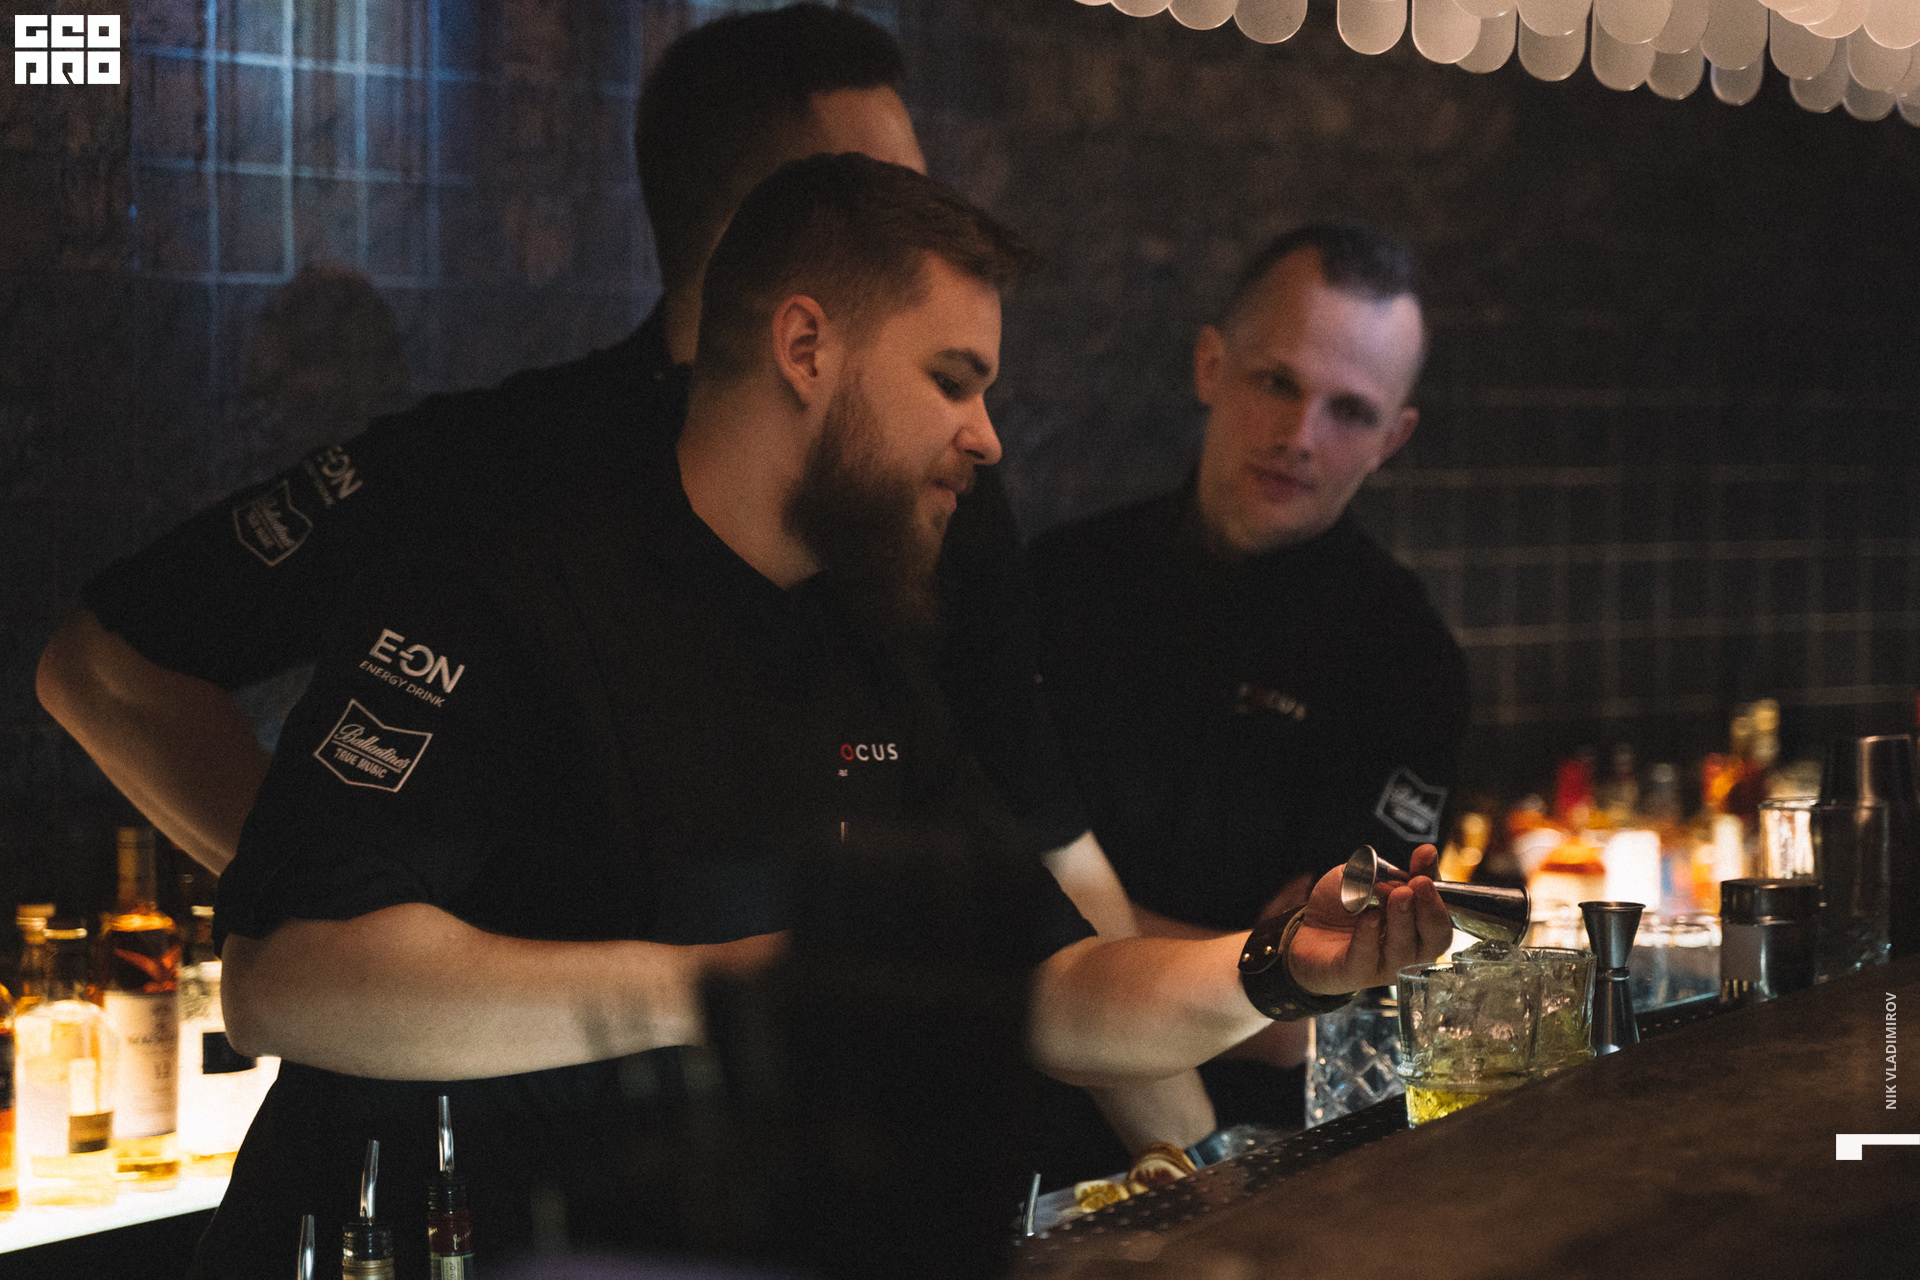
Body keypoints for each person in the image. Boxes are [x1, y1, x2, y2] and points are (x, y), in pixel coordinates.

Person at [204, 154, 1453, 1277]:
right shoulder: (508, 578)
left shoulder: (872, 637)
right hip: (397, 1238)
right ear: (806, 348)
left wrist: (1277, 964)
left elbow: (1057, 984)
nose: (987, 438)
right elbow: (283, 980)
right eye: (952, 381)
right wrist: (725, 986)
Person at [36, 3, 1217, 1165]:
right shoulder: (490, 478)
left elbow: (1047, 868)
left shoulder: (909, 516)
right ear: (781, 254)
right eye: (881, 194)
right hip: (448, 1187)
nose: (934, 232)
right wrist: (391, 913)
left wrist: (1204, 1163)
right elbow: (112, 676)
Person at [1028, 225, 1471, 1169]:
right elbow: (978, 910)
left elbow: (1299, 1014)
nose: (1299, 437)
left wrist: (1054, 932)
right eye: (1277, 382)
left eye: (1349, 410)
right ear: (1210, 365)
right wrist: (1230, 950)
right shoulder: (1054, 588)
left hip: (1267, 1166)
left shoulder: (1404, 660)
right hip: (1026, 1152)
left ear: (1392, 438)